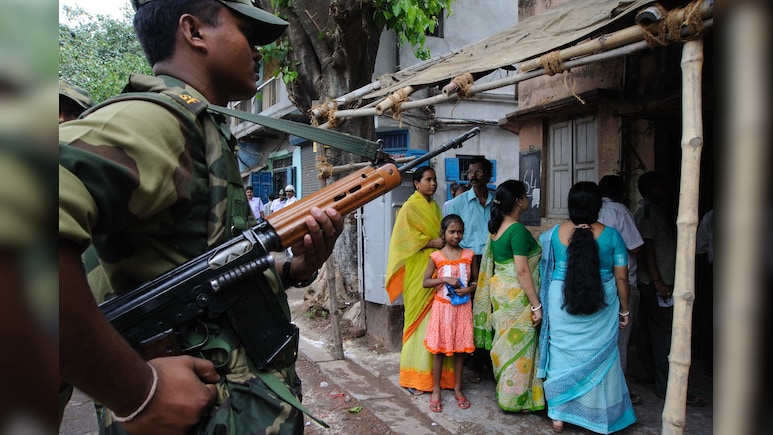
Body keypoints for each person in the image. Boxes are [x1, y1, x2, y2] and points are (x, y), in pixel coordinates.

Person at [59, 1, 344, 434]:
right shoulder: (161, 119)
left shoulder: (206, 131)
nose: (257, 52)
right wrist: (137, 393)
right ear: (193, 32)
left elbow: (211, 271)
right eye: (246, 31)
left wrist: (296, 268)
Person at [537, 181, 636, 434]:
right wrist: (625, 310)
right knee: (600, 354)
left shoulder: (550, 236)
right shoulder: (612, 236)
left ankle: (558, 415)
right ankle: (600, 415)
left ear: (570, 206)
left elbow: (543, 272)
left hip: (561, 301)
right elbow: (622, 279)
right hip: (602, 304)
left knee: (561, 352)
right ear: (598, 206)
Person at [634, 172, 706, 406]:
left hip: (656, 281)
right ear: (651, 190)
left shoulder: (654, 212)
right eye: (661, 187)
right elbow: (647, 250)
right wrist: (658, 282)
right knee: (664, 333)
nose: (667, 191)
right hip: (657, 282)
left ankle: (647, 375)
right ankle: (667, 386)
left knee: (648, 330)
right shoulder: (646, 213)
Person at [474, 180, 544, 412]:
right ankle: (516, 399)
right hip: (518, 296)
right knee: (521, 347)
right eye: (525, 195)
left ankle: (506, 394)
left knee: (506, 343)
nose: (527, 199)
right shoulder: (516, 230)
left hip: (500, 292)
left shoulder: (496, 229)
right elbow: (522, 270)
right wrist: (536, 305)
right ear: (518, 201)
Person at [385, 166, 456, 396]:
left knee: (436, 324)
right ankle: (412, 376)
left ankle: (437, 378)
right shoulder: (409, 207)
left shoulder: (434, 207)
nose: (433, 183)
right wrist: (429, 242)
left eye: (435, 179)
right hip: (418, 271)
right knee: (417, 323)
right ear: (417, 183)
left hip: (436, 268)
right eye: (428, 179)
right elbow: (401, 242)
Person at [597, 174, 644, 406]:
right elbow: (635, 248)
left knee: (601, 340)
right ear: (622, 192)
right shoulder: (621, 211)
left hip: (597, 284)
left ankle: (601, 389)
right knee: (621, 342)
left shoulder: (593, 212)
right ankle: (619, 392)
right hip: (620, 283)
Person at [446, 157, 494, 383]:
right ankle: (473, 361)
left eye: (479, 171)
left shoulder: (497, 202)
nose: (473, 175)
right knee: (471, 310)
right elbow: (447, 231)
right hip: (469, 259)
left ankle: (488, 358)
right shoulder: (457, 204)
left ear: (489, 175)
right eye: (470, 172)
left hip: (492, 259)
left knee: (490, 309)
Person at [422, 214, 476, 412]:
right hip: (443, 308)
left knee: (460, 351)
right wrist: (444, 279)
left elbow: (476, 281)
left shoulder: (469, 255)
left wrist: (469, 289)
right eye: (452, 232)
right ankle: (436, 389)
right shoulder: (436, 257)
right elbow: (425, 282)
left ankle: (458, 388)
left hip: (462, 309)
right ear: (443, 234)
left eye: (459, 231)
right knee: (440, 351)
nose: (456, 235)